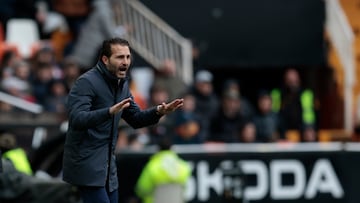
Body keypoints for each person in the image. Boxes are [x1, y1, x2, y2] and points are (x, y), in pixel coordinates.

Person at [62, 37, 184, 203]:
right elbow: (77, 118)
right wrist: (109, 112)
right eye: (120, 57)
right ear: (105, 60)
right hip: (87, 166)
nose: (125, 62)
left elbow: (136, 119)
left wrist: (159, 111)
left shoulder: (122, 84)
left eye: (127, 57)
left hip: (108, 168)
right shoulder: (86, 82)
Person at [135, 135, 191, 203]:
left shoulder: (152, 166)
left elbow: (141, 190)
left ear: (158, 149)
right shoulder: (183, 166)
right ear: (171, 148)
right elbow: (186, 191)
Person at [270, 68, 317, 140]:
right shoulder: (279, 94)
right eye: (290, 81)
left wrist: (308, 128)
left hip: (302, 125)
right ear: (285, 81)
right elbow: (274, 114)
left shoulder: (305, 94)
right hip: (283, 127)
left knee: (309, 133)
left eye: (295, 81)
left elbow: (309, 116)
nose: (293, 84)